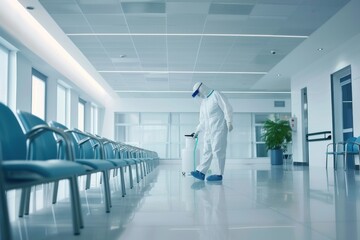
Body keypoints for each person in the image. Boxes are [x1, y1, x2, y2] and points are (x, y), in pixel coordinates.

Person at [191, 82, 233, 181]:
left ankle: (219, 174)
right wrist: (197, 131)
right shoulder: (204, 102)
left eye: (198, 93)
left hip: (219, 129)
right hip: (209, 131)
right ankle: (201, 172)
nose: (199, 95)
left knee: (218, 151)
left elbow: (227, 107)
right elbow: (202, 120)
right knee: (207, 151)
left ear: (202, 88)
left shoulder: (216, 95)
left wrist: (229, 121)